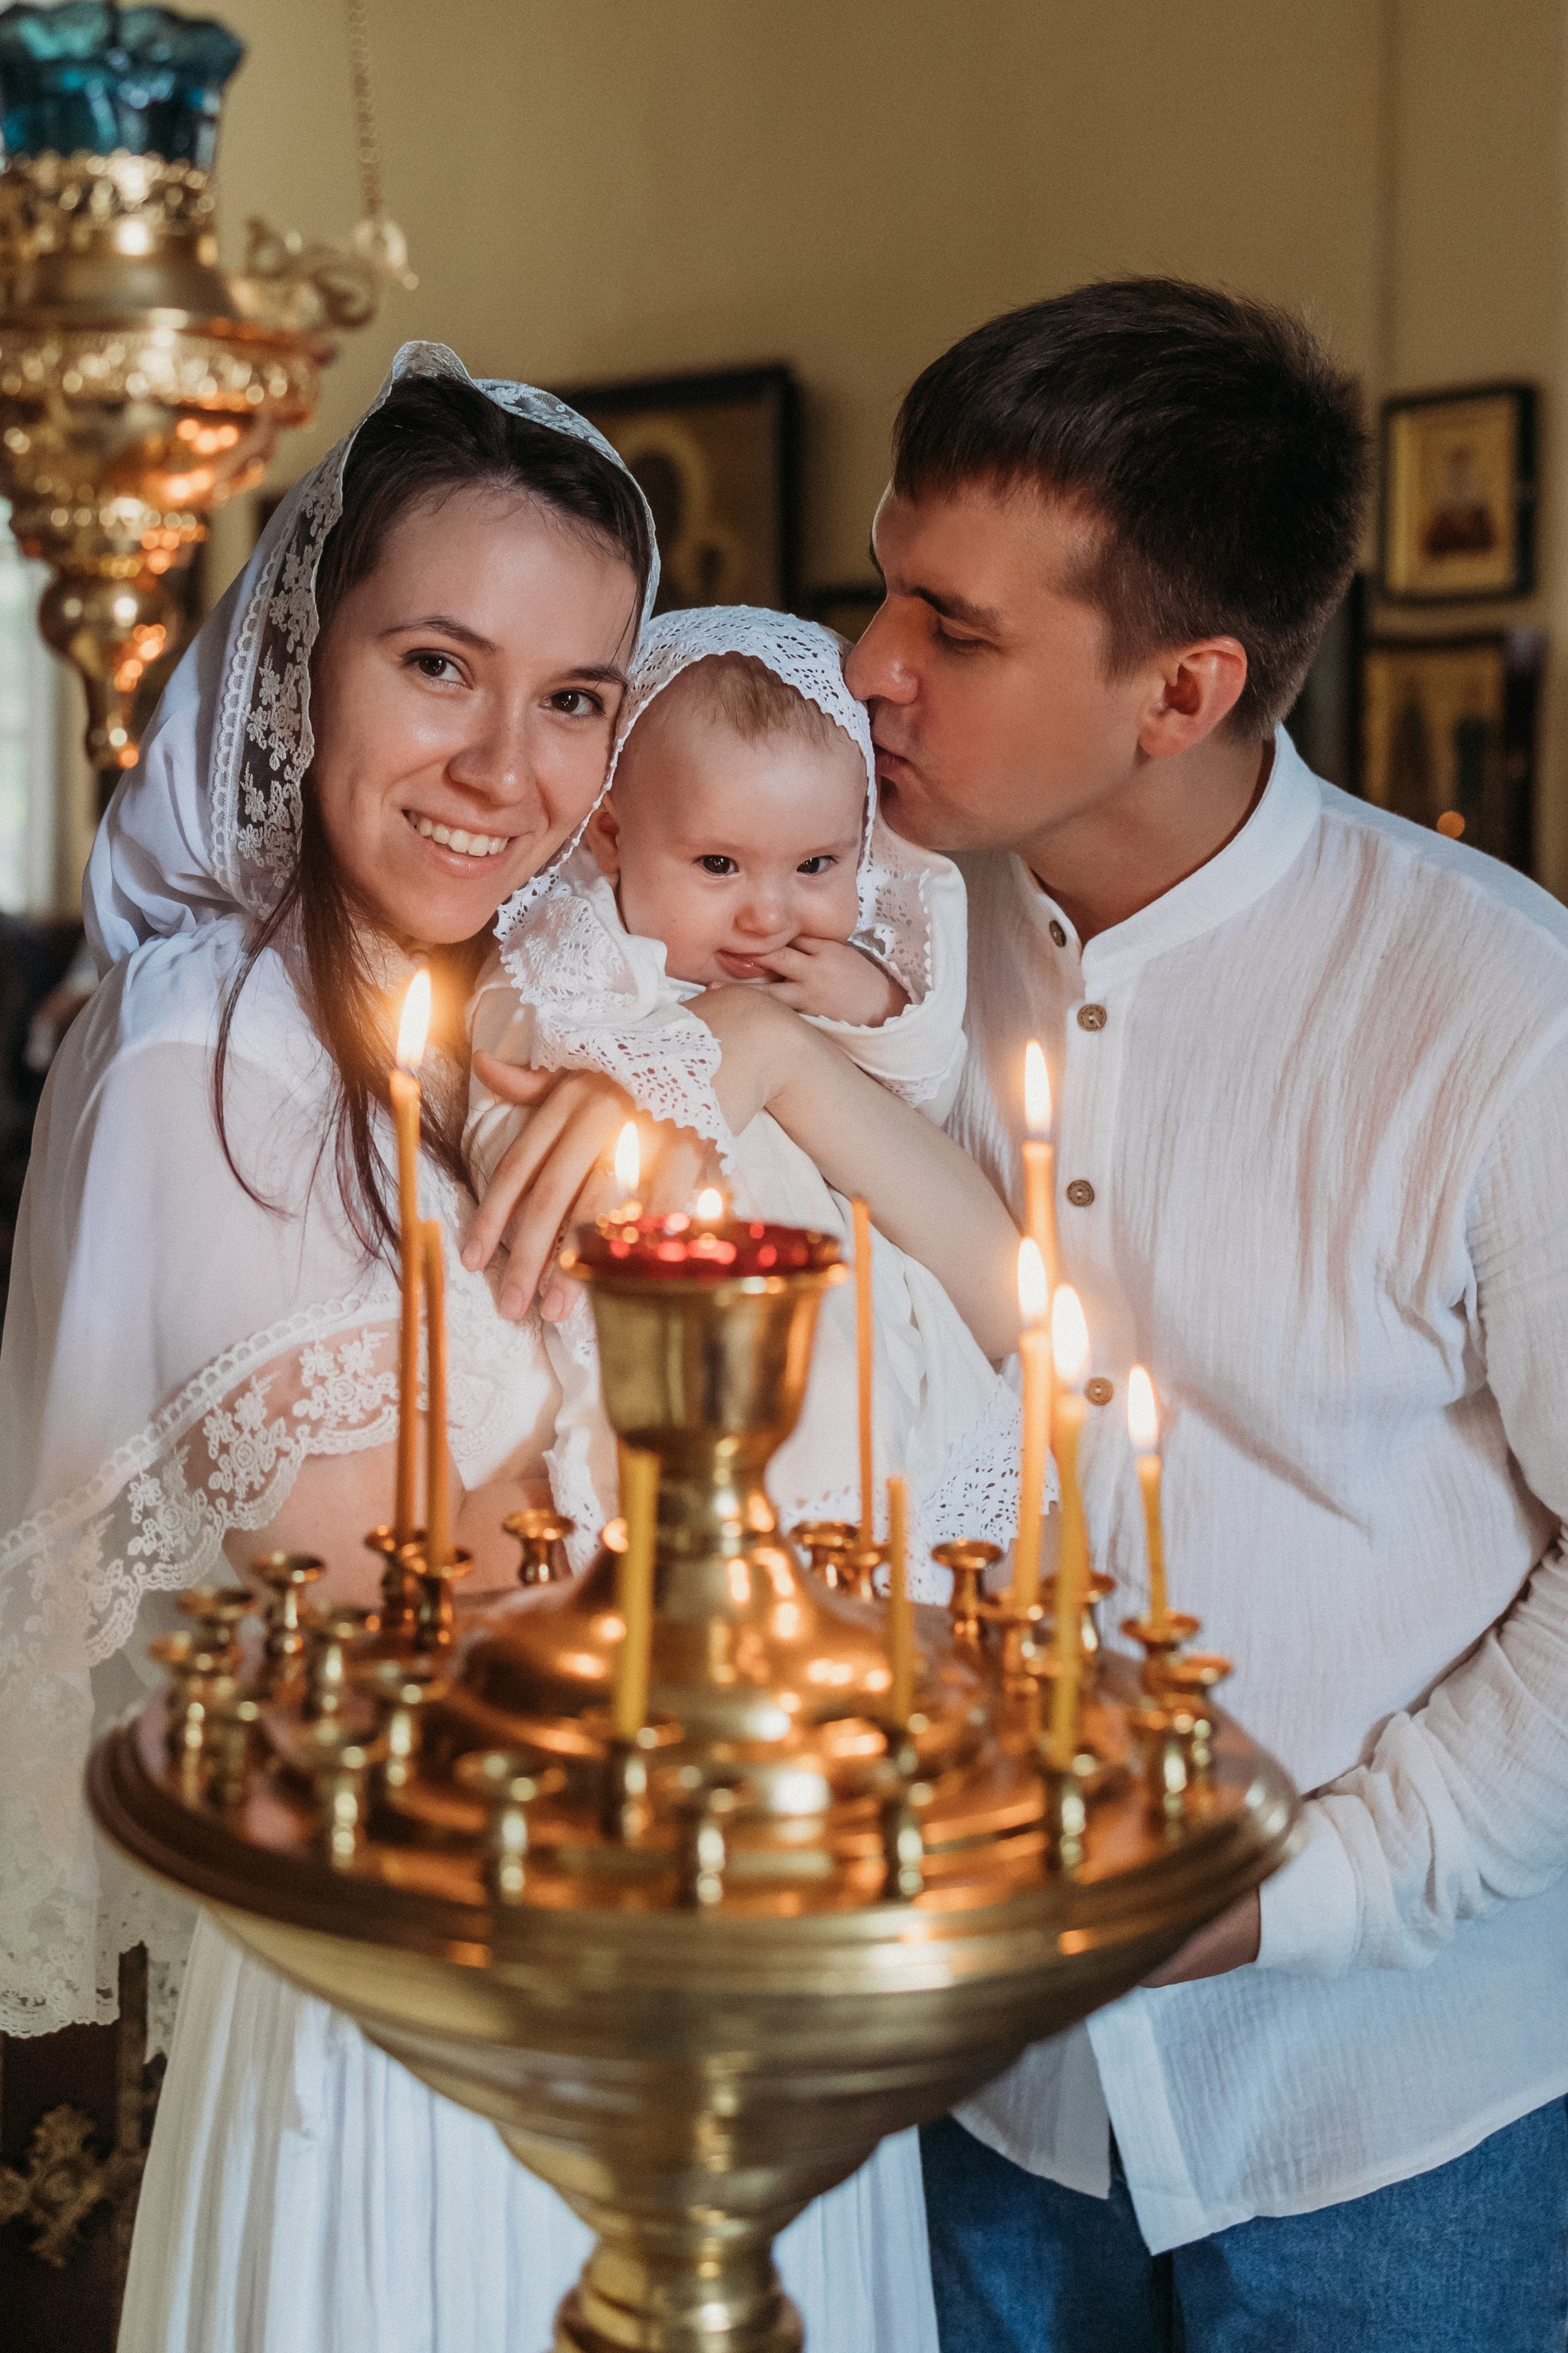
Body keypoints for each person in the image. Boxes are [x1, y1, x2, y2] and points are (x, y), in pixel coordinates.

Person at [0, 342, 984, 2352]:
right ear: (306, 663)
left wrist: (758, 1057)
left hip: (752, 2013)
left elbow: (985, 1346)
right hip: (447, 2035)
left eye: (572, 702)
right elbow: (407, 1651)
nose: (502, 771)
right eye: (437, 665)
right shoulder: (220, 1043)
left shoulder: (615, 1021)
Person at [831, 278, 1568, 2352]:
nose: (870, 668)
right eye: (887, 588)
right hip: (966, 2094)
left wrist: (1310, 1893)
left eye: (955, 632)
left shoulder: (1502, 1021)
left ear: (1185, 688)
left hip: (1397, 2128)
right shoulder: (854, 930)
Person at [466, 603, 1023, 1568]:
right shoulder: (591, 948)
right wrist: (669, 1055)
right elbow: (521, 1034)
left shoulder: (824, 970)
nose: (768, 913)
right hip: (698, 1347)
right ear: (609, 837)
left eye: (817, 864)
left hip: (893, 1356)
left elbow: (924, 1082)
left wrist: (870, 998)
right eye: (718, 864)